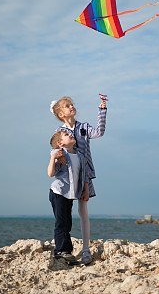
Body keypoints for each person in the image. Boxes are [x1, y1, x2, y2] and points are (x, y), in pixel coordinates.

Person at [50, 96, 107, 264]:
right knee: (64, 213)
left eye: (72, 105)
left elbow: (99, 132)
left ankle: (85, 249)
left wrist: (102, 111)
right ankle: (64, 247)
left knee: (83, 210)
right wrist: (56, 157)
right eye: (68, 106)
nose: (72, 107)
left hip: (84, 175)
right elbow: (54, 148)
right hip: (66, 177)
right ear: (61, 113)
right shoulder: (59, 131)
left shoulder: (84, 127)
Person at [48, 130, 88, 265]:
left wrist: (85, 190)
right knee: (61, 222)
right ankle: (60, 250)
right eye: (66, 135)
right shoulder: (60, 154)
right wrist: (54, 157)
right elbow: (50, 173)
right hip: (58, 192)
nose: (71, 134)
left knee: (68, 223)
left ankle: (67, 252)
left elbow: (84, 174)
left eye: (70, 134)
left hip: (70, 194)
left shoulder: (80, 156)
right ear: (60, 143)